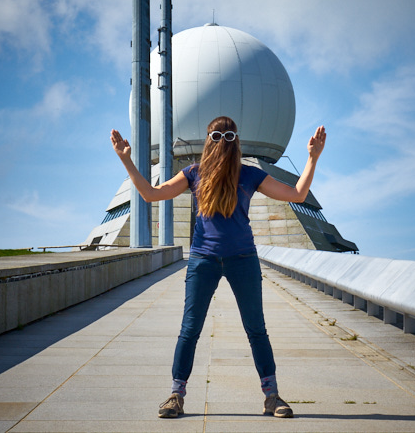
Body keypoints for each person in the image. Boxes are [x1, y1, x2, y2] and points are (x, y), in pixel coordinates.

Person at [110, 116, 326, 418]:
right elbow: (151, 194)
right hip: (203, 260)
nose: (222, 140)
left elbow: (297, 195)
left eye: (228, 135)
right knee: (189, 329)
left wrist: (312, 159)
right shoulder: (193, 174)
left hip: (243, 260)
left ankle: (272, 397)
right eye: (215, 135)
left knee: (256, 330)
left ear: (235, 141)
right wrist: (127, 161)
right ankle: (176, 396)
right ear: (207, 140)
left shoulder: (250, 175)